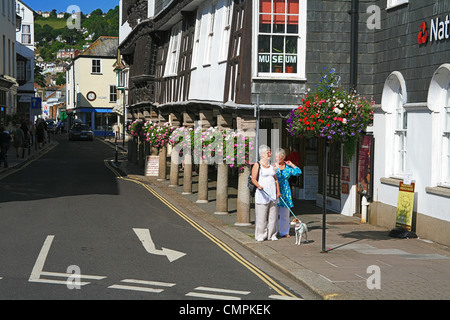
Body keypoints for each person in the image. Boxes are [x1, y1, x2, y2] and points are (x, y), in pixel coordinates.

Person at [251, 145, 281, 242]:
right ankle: (260, 235)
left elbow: (275, 179)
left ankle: (272, 235)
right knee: (261, 216)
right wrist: (258, 186)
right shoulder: (257, 165)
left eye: (270, 152)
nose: (270, 154)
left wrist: (278, 191)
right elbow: (253, 179)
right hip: (262, 194)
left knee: (273, 216)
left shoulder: (272, 165)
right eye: (268, 152)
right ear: (262, 154)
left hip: (272, 194)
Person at [274, 148, 302, 238]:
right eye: (276, 157)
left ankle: (284, 232)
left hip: (285, 191)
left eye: (279, 157)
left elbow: (298, 172)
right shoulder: (273, 166)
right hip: (274, 190)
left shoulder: (288, 167)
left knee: (285, 214)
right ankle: (274, 231)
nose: (277, 159)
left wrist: (292, 164)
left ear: (283, 157)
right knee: (273, 213)